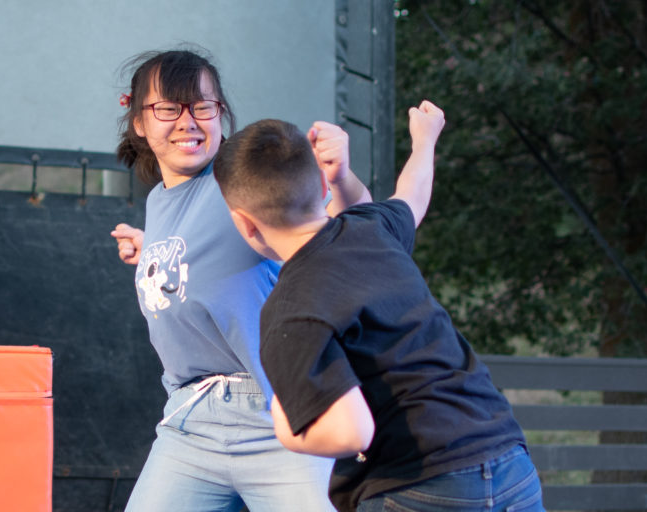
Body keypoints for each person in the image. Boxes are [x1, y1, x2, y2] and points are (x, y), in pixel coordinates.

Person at [212, 101, 545, 512]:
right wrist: (424, 140)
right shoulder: (372, 228)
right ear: (321, 187)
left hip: (418, 483)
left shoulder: (289, 310)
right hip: (506, 459)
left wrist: (285, 427)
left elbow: (351, 431)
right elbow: (413, 195)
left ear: (244, 222)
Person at [110, 48, 371, 512]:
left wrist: (343, 177)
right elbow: (207, 261)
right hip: (191, 423)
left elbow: (353, 227)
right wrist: (150, 249)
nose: (188, 121)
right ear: (139, 121)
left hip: (277, 414)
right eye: (168, 108)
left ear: (221, 115)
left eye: (202, 106)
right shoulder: (159, 203)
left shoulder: (241, 176)